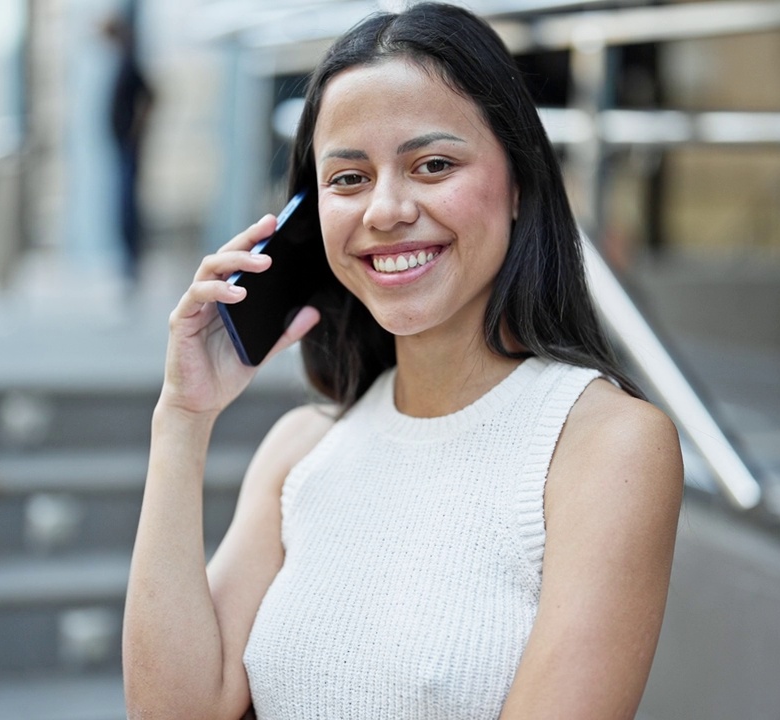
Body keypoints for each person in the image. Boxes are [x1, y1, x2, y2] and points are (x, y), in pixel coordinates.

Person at [122, 4, 682, 718]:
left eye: (433, 165)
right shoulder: (302, 450)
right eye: (347, 178)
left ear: (518, 184)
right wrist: (181, 419)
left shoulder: (605, 445)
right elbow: (172, 710)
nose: (384, 210)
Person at [102, 12, 154, 286]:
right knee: (122, 206)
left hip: (128, 149)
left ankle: (132, 264)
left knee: (127, 208)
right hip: (122, 147)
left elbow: (152, 95)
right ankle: (128, 263)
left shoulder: (129, 61)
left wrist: (136, 130)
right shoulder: (121, 61)